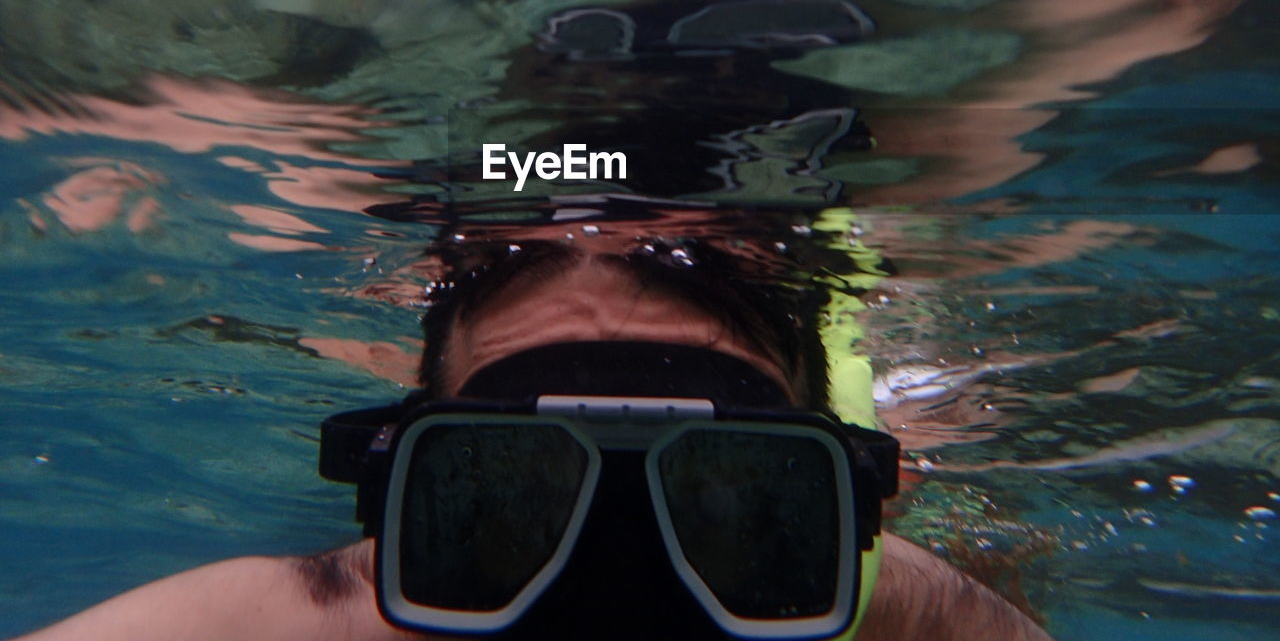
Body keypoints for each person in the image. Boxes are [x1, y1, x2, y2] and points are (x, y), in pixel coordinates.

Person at [16, 235, 1055, 641]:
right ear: (400, 500)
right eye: (507, 491)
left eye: (727, 498)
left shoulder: (889, 600)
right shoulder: (360, 605)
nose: (615, 583)